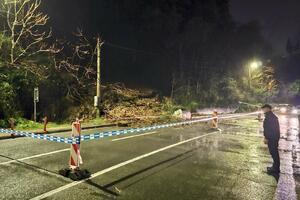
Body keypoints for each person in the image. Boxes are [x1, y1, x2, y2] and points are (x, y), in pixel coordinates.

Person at [261, 104, 280, 174]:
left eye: (264, 109)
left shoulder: (270, 117)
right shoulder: (270, 116)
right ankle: (275, 167)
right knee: (273, 153)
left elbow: (270, 129)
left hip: (272, 138)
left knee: (274, 153)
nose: (263, 110)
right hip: (273, 138)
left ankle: (276, 168)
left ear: (268, 109)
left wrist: (267, 138)